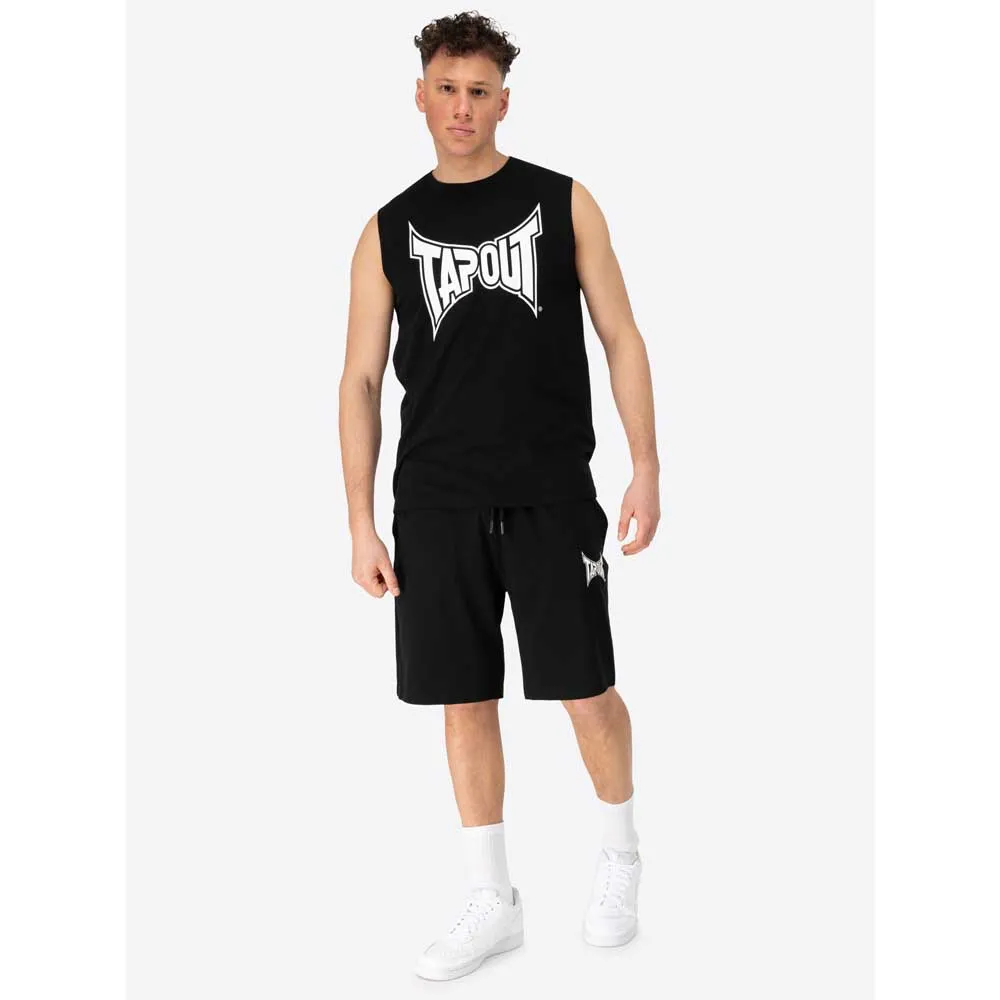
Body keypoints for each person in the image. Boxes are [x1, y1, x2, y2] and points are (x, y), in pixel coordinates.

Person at [338, 11, 660, 981]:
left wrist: (645, 465)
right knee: (462, 696)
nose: (462, 107)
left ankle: (619, 855)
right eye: (446, 88)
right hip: (435, 500)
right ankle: (494, 899)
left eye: (479, 91)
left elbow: (622, 336)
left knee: (584, 687)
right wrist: (360, 521)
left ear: (504, 102)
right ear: (420, 95)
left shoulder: (563, 201)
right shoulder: (387, 229)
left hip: (551, 491)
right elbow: (360, 380)